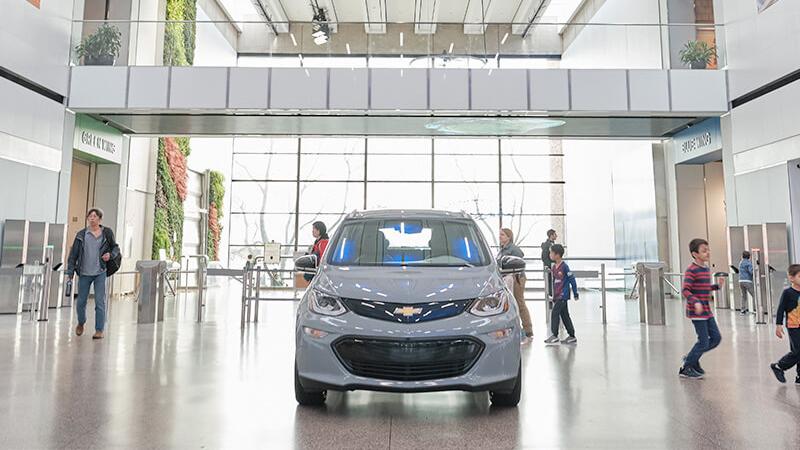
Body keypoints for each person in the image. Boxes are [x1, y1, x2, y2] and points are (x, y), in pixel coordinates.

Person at [65, 208, 120, 340]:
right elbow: (73, 255)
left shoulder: (107, 233)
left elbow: (115, 247)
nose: (92, 218)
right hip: (84, 273)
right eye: (90, 216)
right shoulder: (81, 235)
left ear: (100, 219)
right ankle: (81, 322)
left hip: (100, 272)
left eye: (95, 216)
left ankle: (99, 330)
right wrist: (70, 271)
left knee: (100, 302)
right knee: (81, 302)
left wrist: (110, 255)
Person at [679, 238, 721, 379]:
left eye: (708, 249)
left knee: (716, 338)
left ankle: (692, 358)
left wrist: (717, 287)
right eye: (704, 251)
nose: (708, 253)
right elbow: (685, 290)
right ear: (695, 254)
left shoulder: (705, 269)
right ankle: (687, 367)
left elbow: (704, 287)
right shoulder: (691, 270)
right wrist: (695, 301)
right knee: (703, 341)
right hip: (697, 312)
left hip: (707, 311)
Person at [497, 228, 533, 343]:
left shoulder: (514, 249)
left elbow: (519, 261)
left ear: (509, 237)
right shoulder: (502, 250)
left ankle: (528, 330)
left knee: (519, 302)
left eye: (502, 235)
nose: (500, 237)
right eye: (500, 235)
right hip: (506, 279)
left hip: (517, 278)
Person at [769, 264, 800, 384]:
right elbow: (781, 309)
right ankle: (779, 366)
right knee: (797, 351)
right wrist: (778, 325)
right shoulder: (788, 293)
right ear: (791, 278)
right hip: (793, 326)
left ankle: (799, 376)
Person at [544, 244, 578, 345]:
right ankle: (572, 335)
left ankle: (555, 335)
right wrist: (554, 296)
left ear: (557, 255)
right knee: (565, 315)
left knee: (555, 313)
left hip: (563, 295)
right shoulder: (554, 267)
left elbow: (572, 279)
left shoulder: (565, 267)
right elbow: (555, 283)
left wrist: (575, 292)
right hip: (558, 295)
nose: (550, 255)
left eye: (551, 253)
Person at [541, 229, 558, 298]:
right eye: (555, 234)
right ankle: (551, 295)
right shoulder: (547, 245)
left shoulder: (552, 244)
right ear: (551, 235)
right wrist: (550, 266)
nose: (556, 236)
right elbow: (544, 257)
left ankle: (554, 294)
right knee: (550, 281)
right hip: (550, 266)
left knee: (554, 281)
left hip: (553, 266)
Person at [738, 251, 755, 315]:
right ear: (749, 256)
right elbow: (751, 272)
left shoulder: (741, 262)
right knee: (754, 295)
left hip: (740, 281)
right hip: (747, 281)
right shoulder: (748, 263)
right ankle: (756, 309)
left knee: (743, 296)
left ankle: (742, 310)